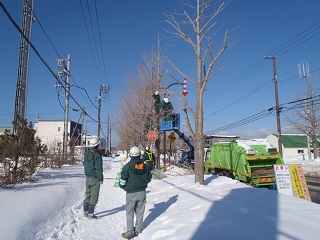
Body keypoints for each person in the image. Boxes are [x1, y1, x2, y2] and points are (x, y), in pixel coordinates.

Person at [120, 146, 152, 239]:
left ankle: (129, 232)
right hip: (142, 192)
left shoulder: (127, 167)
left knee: (129, 212)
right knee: (140, 211)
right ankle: (138, 230)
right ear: (139, 155)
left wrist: (124, 187)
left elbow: (122, 181)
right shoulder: (145, 166)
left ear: (130, 155)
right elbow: (149, 178)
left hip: (131, 193)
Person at [83, 137, 104, 219]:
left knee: (88, 194)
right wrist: (101, 178)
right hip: (95, 178)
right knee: (94, 195)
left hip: (88, 177)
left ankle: (85, 212)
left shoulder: (86, 154)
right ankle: (91, 214)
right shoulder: (97, 155)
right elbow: (98, 168)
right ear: (97, 145)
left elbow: (85, 164)